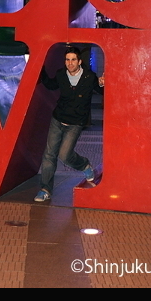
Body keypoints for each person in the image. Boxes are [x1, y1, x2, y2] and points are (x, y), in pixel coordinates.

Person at [34, 46, 104, 202]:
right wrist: (41, 68)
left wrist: (102, 84)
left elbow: (102, 92)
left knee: (65, 155)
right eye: (67, 60)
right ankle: (45, 189)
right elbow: (51, 85)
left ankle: (85, 165)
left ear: (79, 61)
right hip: (58, 119)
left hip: (76, 123)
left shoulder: (89, 77)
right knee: (49, 155)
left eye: (73, 60)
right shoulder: (61, 74)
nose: (70, 63)